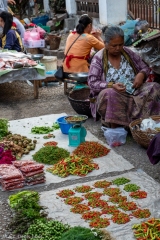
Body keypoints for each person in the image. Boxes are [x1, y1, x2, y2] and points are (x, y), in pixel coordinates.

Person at [88, 26, 160, 128]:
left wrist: (141, 74)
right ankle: (118, 125)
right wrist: (112, 85)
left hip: (135, 91)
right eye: (114, 45)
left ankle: (145, 123)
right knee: (108, 93)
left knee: (155, 87)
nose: (118, 48)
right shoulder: (98, 58)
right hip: (116, 95)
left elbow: (145, 67)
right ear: (106, 43)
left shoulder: (128, 52)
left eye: (120, 44)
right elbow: (92, 83)